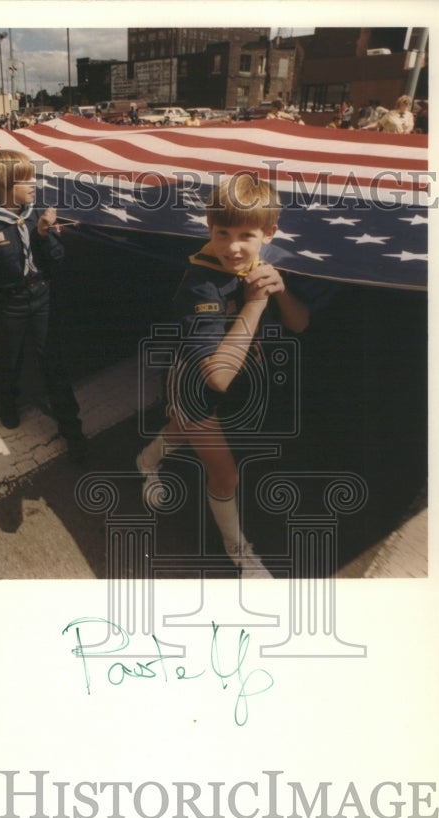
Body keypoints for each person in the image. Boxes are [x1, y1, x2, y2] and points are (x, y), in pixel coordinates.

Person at [135, 174, 335, 578]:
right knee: (225, 474)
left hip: (239, 372)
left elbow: (299, 324)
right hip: (195, 380)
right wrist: (258, 303)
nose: (233, 246)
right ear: (209, 229)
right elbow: (217, 378)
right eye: (221, 232)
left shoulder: (261, 262)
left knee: (182, 429)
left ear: (269, 233)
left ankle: (145, 461)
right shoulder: (201, 282)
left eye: (246, 234)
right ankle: (240, 554)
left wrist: (279, 290)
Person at [0, 149, 87, 460]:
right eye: (25, 179)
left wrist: (43, 235)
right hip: (10, 304)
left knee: (51, 360)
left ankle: (72, 428)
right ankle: (8, 402)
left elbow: (57, 261)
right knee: (10, 359)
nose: (34, 183)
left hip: (42, 297)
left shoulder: (36, 216)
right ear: (3, 185)